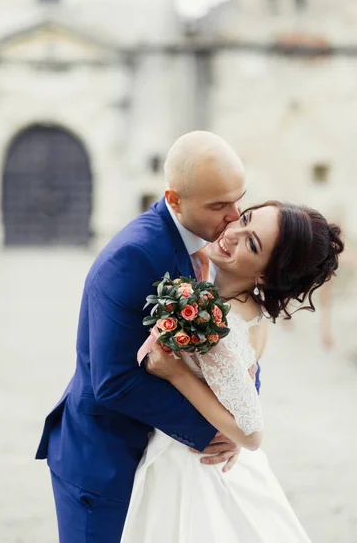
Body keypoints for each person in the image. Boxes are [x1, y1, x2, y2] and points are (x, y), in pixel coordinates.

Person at [35, 131, 253, 543]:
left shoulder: (214, 250)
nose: (235, 215)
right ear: (174, 200)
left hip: (164, 460)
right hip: (103, 458)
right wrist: (212, 432)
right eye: (219, 205)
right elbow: (113, 379)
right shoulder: (133, 256)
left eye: (239, 198)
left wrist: (238, 416)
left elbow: (234, 346)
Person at [121, 201, 344, 543]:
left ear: (266, 273)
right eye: (245, 219)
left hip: (192, 468)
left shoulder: (223, 321)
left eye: (252, 244)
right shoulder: (242, 305)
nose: (233, 234)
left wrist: (176, 373)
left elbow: (251, 432)